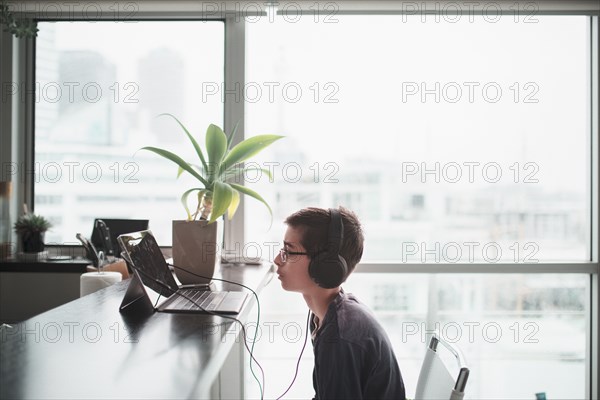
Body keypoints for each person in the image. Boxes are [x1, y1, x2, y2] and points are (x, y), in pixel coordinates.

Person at [274, 206, 406, 399]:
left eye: (289, 251)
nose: (277, 260)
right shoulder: (327, 316)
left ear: (326, 266)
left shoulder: (339, 335)